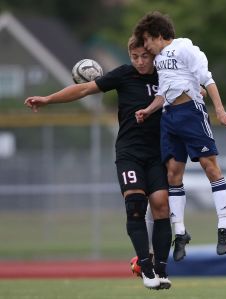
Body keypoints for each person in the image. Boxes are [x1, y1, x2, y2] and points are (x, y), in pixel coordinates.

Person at [24, 36, 172, 290]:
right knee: (135, 205)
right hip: (129, 153)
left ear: (154, 54)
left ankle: (161, 269)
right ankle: (146, 269)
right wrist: (48, 99)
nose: (139, 62)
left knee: (161, 205)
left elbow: (194, 89)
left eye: (144, 57)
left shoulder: (166, 75)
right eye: (134, 57)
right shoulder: (124, 75)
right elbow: (82, 89)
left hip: (157, 154)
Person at [133, 11, 226, 257]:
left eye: (147, 39)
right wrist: (148, 110)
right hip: (169, 118)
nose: (146, 46)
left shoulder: (186, 48)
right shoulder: (159, 61)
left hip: (191, 113)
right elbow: (166, 91)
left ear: (158, 35)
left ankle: (223, 226)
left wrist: (220, 111)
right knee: (173, 174)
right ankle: (180, 232)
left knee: (209, 166)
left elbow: (207, 80)